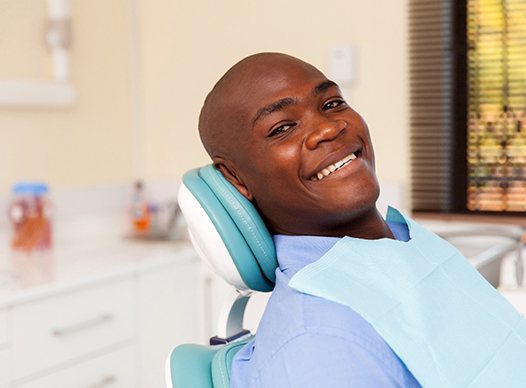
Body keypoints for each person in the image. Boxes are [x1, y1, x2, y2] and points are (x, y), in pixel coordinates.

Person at [198, 52, 421, 387]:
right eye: (282, 128)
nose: (329, 128)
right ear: (235, 178)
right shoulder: (322, 344)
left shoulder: (405, 243)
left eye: (331, 103)